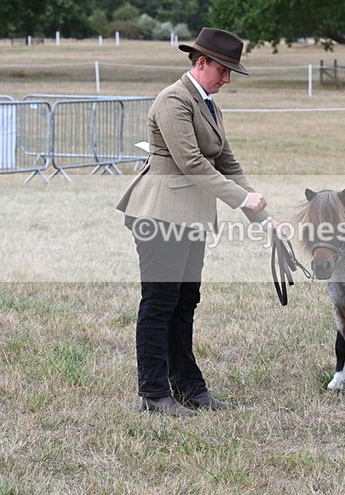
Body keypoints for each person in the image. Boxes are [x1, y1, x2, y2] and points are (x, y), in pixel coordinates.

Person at [116, 27, 277, 416]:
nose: (225, 79)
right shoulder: (174, 100)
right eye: (221, 70)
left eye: (230, 72)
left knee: (184, 302)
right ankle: (154, 392)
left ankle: (188, 387)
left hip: (190, 217)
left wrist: (263, 218)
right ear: (200, 62)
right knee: (160, 303)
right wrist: (241, 198)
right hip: (160, 216)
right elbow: (191, 162)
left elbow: (227, 162)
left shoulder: (207, 104)